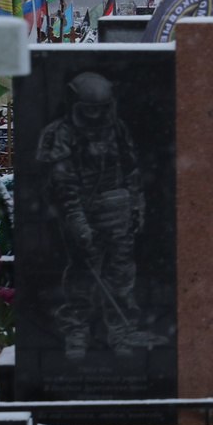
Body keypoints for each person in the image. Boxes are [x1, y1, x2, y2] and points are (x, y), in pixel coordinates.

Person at [36, 71, 156, 359]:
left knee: (121, 278)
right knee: (81, 278)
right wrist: (78, 225)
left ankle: (122, 333)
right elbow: (63, 186)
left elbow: (131, 172)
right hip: (82, 212)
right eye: (88, 111)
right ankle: (76, 331)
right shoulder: (61, 134)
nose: (95, 118)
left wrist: (137, 208)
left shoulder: (117, 129)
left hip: (118, 214)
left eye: (101, 111)